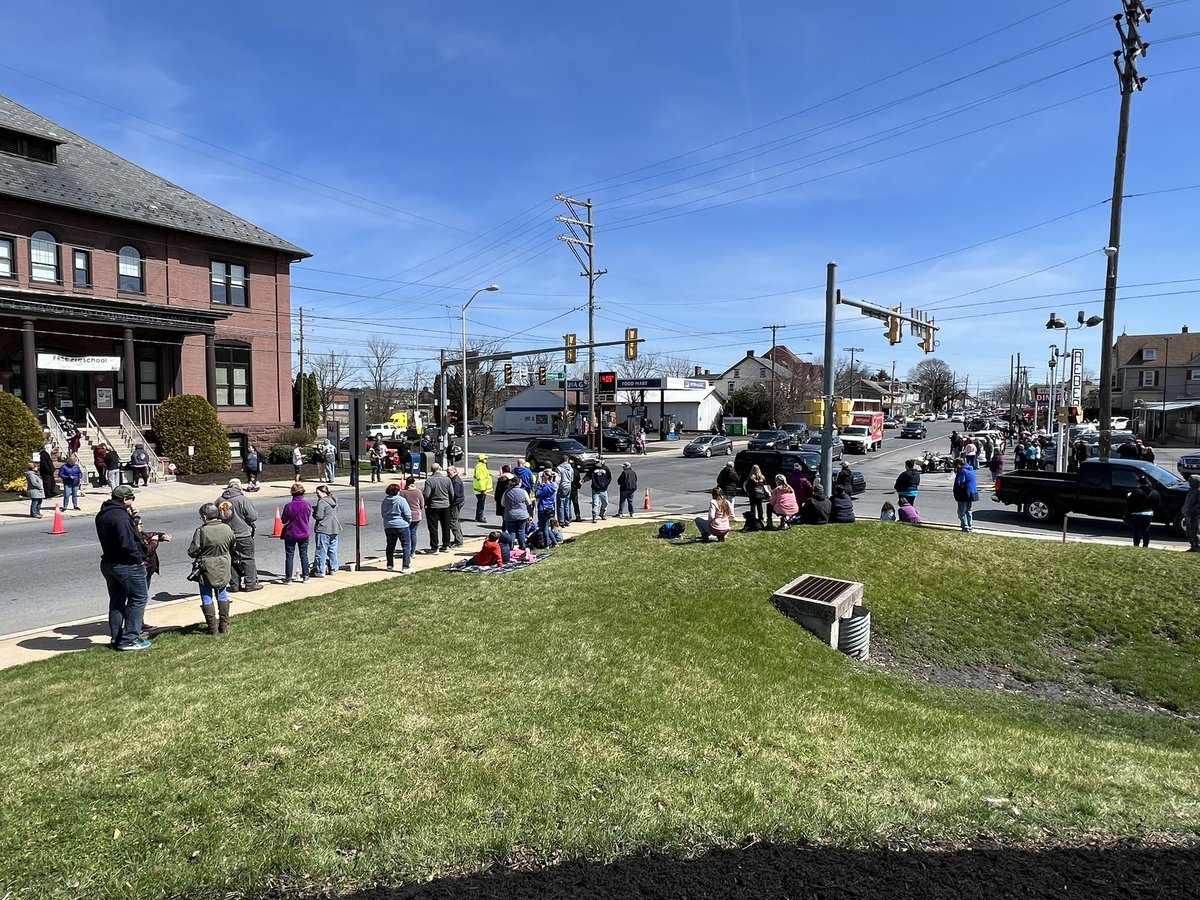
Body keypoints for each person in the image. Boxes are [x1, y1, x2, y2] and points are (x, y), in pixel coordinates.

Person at [95, 484, 151, 651]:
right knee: (138, 598)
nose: (134, 501)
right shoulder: (120, 518)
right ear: (126, 500)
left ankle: (116, 638)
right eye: (132, 498)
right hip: (127, 564)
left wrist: (132, 517)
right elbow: (128, 543)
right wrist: (139, 559)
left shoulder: (103, 514)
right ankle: (129, 639)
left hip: (108, 563)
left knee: (117, 600)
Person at [188, 502, 236, 636]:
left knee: (206, 595)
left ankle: (212, 628)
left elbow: (193, 551)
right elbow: (233, 544)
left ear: (204, 516)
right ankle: (224, 626)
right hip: (224, 563)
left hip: (206, 566)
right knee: (222, 593)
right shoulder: (227, 528)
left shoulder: (201, 531)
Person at [216, 479, 262, 593]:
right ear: (239, 487)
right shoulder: (242, 500)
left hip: (226, 536)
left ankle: (235, 585)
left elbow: (215, 515)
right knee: (248, 559)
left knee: (231, 560)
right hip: (243, 535)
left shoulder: (219, 501)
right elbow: (253, 516)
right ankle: (250, 584)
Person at [280, 483, 313, 583]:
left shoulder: (288, 506)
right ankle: (306, 576)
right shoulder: (307, 505)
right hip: (304, 531)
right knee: (304, 554)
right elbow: (307, 517)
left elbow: (284, 520)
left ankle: (288, 578)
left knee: (289, 555)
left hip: (291, 533)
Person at [381, 482, 414, 573]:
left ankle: (390, 565)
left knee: (390, 545)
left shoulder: (385, 500)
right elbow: (407, 513)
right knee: (406, 546)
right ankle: (406, 566)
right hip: (402, 525)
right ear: (397, 491)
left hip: (388, 525)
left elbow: (383, 513)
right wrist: (408, 521)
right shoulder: (401, 500)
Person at [310, 484, 342, 577]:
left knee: (321, 550)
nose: (317, 495)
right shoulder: (334, 500)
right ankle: (334, 568)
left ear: (324, 493)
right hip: (334, 528)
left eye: (318, 493)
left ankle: (320, 570)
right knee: (333, 550)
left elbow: (318, 516)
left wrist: (315, 510)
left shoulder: (322, 502)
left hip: (323, 528)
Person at [422, 463, 454, 553]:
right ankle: (446, 545)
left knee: (433, 527)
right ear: (440, 468)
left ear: (431, 470)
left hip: (433, 506)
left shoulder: (429, 481)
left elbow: (426, 494)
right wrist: (449, 502)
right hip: (445, 505)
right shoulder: (447, 480)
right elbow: (452, 493)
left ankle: (434, 547)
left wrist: (426, 504)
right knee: (446, 526)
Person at [1123, 474, 1159, 548]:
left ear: (1139, 483)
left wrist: (1129, 496)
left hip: (1136, 514)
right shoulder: (1155, 493)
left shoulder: (1136, 492)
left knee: (1137, 531)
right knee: (1146, 530)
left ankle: (1136, 545)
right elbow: (1157, 504)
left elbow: (1130, 503)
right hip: (1149, 514)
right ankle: (1145, 545)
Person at [501, 476, 533, 550]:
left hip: (509, 514)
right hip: (522, 514)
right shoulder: (523, 492)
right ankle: (522, 546)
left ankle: (510, 547)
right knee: (521, 531)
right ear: (519, 483)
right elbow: (528, 502)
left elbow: (503, 503)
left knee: (511, 532)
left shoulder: (506, 492)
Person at [400, 475, 425, 556]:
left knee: (406, 534)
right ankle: (412, 552)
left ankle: (407, 551)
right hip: (416, 515)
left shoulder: (403, 493)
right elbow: (422, 504)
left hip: (405, 516)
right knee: (413, 533)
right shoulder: (418, 492)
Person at [952, 457, 978, 533]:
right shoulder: (971, 469)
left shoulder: (962, 471)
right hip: (972, 493)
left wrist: (955, 492)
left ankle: (965, 526)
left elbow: (959, 483)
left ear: (959, 464)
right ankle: (970, 525)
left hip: (963, 493)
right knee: (968, 510)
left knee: (961, 512)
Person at [535, 469, 558, 548]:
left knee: (544, 527)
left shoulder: (545, 487)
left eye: (543, 476)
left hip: (543, 508)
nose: (541, 477)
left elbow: (537, 495)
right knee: (547, 527)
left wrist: (540, 487)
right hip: (550, 507)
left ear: (546, 477)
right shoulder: (553, 486)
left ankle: (546, 545)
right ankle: (555, 543)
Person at [742, 464, 768, 530]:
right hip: (760, 494)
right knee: (760, 506)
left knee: (753, 506)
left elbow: (748, 486)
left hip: (753, 494)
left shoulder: (751, 478)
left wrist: (748, 492)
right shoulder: (762, 477)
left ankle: (753, 517)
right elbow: (765, 485)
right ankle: (761, 518)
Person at [446, 465, 466, 547]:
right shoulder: (454, 479)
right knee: (456, 521)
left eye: (449, 472)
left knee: (453, 522)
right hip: (457, 502)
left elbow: (455, 494)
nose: (448, 474)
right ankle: (458, 539)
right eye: (447, 472)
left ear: (454, 472)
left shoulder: (455, 481)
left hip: (455, 503)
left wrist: (450, 502)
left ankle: (459, 541)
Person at [588, 457, 613, 522]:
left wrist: (605, 484)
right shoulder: (592, 469)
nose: (596, 463)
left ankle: (602, 514)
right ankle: (594, 516)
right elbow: (588, 476)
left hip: (603, 490)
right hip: (595, 490)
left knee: (605, 502)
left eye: (597, 462)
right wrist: (583, 480)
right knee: (596, 504)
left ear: (601, 462)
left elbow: (609, 478)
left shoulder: (606, 469)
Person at [473, 454, 493, 523]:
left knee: (480, 503)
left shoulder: (483, 466)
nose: (486, 460)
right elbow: (480, 479)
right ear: (482, 460)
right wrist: (483, 489)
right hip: (480, 490)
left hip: (481, 489)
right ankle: (480, 517)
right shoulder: (480, 467)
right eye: (485, 459)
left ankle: (478, 516)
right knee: (481, 503)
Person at [555, 457, 575, 526]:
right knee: (567, 504)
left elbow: (558, 480)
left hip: (562, 486)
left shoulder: (559, 468)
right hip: (569, 485)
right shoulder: (570, 468)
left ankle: (561, 521)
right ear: (567, 460)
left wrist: (556, 487)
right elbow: (572, 478)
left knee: (560, 504)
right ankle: (567, 520)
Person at [1182, 474, 1200, 552]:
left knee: (1194, 530)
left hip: (1194, 515)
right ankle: (1192, 545)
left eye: (1191, 481)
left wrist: (1193, 510)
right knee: (1189, 530)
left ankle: (1197, 546)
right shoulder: (1191, 490)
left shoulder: (1198, 491)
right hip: (1188, 514)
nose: (1189, 482)